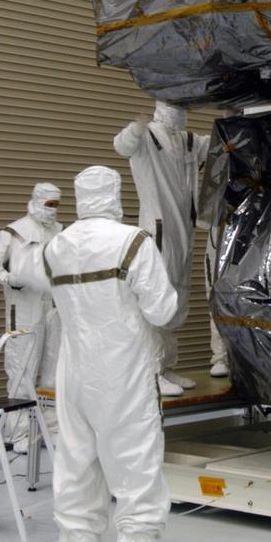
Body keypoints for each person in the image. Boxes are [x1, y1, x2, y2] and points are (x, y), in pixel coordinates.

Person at [11, 165, 202, 542]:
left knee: (76, 485)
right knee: (137, 493)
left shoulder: (55, 247)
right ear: (115, 195)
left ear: (76, 199)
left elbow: (22, 271)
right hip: (123, 377)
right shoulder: (133, 242)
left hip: (73, 379)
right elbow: (161, 310)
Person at [113, 102, 210, 395]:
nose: (181, 113)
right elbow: (121, 146)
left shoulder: (188, 141)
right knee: (156, 299)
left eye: (184, 107)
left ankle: (167, 366)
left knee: (176, 299)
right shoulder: (147, 137)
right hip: (158, 231)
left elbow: (221, 145)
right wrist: (135, 127)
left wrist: (233, 118)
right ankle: (151, 372)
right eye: (175, 107)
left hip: (184, 232)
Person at [0, 182, 62, 448]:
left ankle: (52, 429)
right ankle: (18, 433)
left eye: (56, 205)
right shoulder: (14, 232)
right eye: (48, 204)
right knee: (22, 368)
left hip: (54, 307)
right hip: (24, 307)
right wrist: (9, 278)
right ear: (36, 200)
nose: (52, 210)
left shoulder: (60, 232)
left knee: (53, 369)